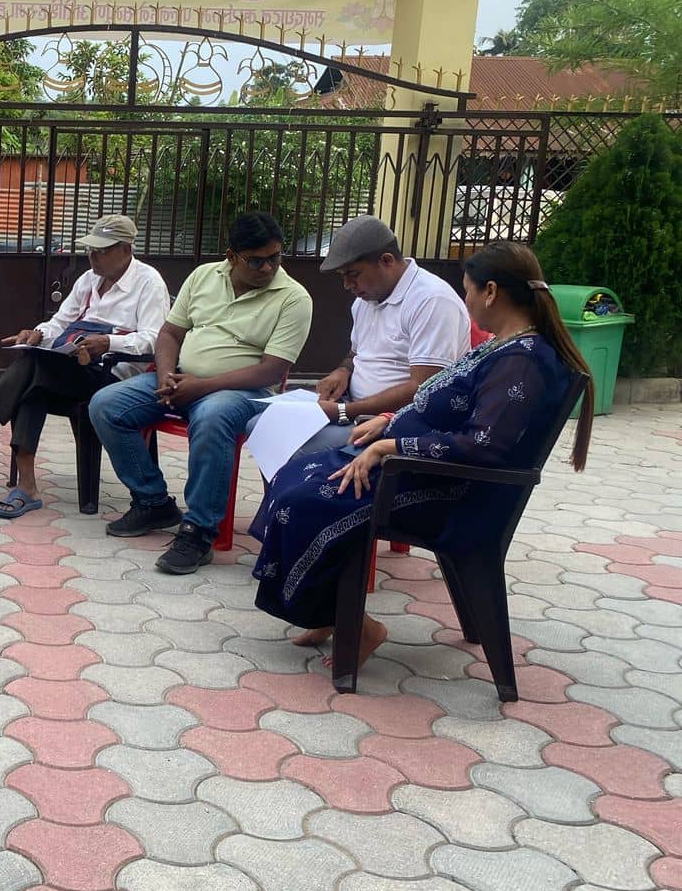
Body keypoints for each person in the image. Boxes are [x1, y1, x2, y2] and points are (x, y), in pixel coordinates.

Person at [250, 241, 593, 673]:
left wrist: (389, 447)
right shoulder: (503, 346)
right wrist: (388, 421)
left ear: (490, 292)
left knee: (305, 500)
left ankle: (354, 625)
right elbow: (446, 406)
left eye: (468, 290)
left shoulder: (523, 361)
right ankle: (326, 613)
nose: (465, 300)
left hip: (448, 493)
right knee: (294, 474)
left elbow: (483, 445)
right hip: (417, 472)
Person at [89, 211, 313, 574]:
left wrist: (201, 387)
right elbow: (169, 333)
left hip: (246, 391)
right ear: (231, 256)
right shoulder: (204, 276)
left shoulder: (293, 298)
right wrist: (166, 377)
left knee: (212, 416)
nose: (268, 268)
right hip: (182, 379)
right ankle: (152, 501)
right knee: (105, 404)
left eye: (275, 257)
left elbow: (272, 369)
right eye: (256, 260)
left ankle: (199, 531)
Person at [0, 215, 168, 518]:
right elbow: (60, 321)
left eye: (102, 251)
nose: (93, 257)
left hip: (115, 377)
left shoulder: (149, 283)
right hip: (74, 368)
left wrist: (108, 342)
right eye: (91, 250)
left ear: (126, 249)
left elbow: (154, 339)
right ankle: (26, 486)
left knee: (34, 368)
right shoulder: (89, 279)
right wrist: (38, 333)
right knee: (33, 382)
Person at [280, 214, 471, 461]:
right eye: (342, 275)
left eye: (353, 274)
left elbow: (424, 388)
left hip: (395, 424)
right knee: (263, 427)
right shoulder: (366, 300)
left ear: (387, 260)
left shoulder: (431, 301)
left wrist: (343, 411)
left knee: (289, 446)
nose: (347, 284)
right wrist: (342, 371)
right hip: (354, 410)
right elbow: (356, 353)